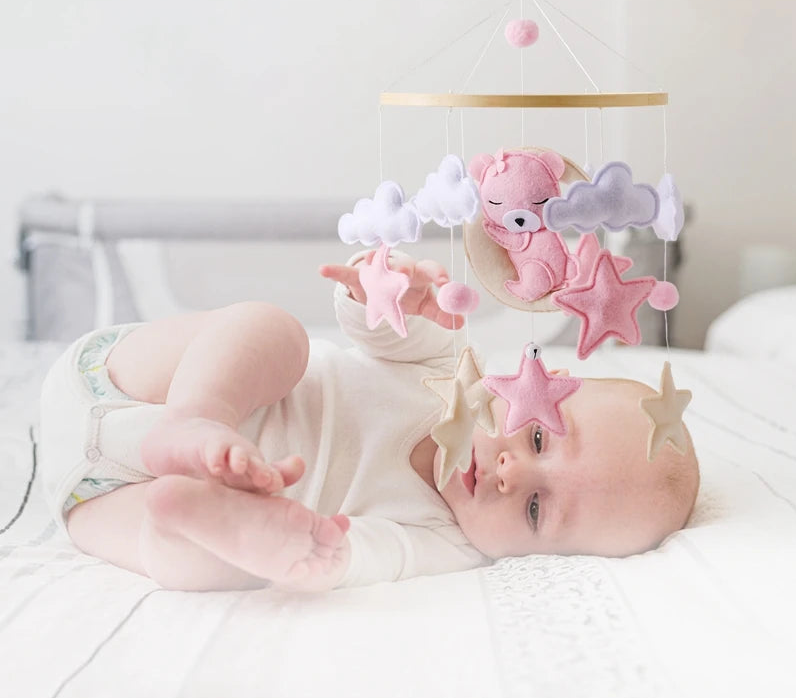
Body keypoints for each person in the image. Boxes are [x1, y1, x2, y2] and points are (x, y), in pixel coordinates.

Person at [39, 251, 699, 593]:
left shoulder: (447, 545)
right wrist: (392, 292)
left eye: (534, 509)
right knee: (275, 333)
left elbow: (363, 556)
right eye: (535, 438)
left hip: (99, 505)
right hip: (127, 381)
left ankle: (185, 512)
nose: (510, 471)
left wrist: (317, 553)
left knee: (212, 568)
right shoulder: (443, 367)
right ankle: (197, 419)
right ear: (529, 384)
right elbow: (380, 325)